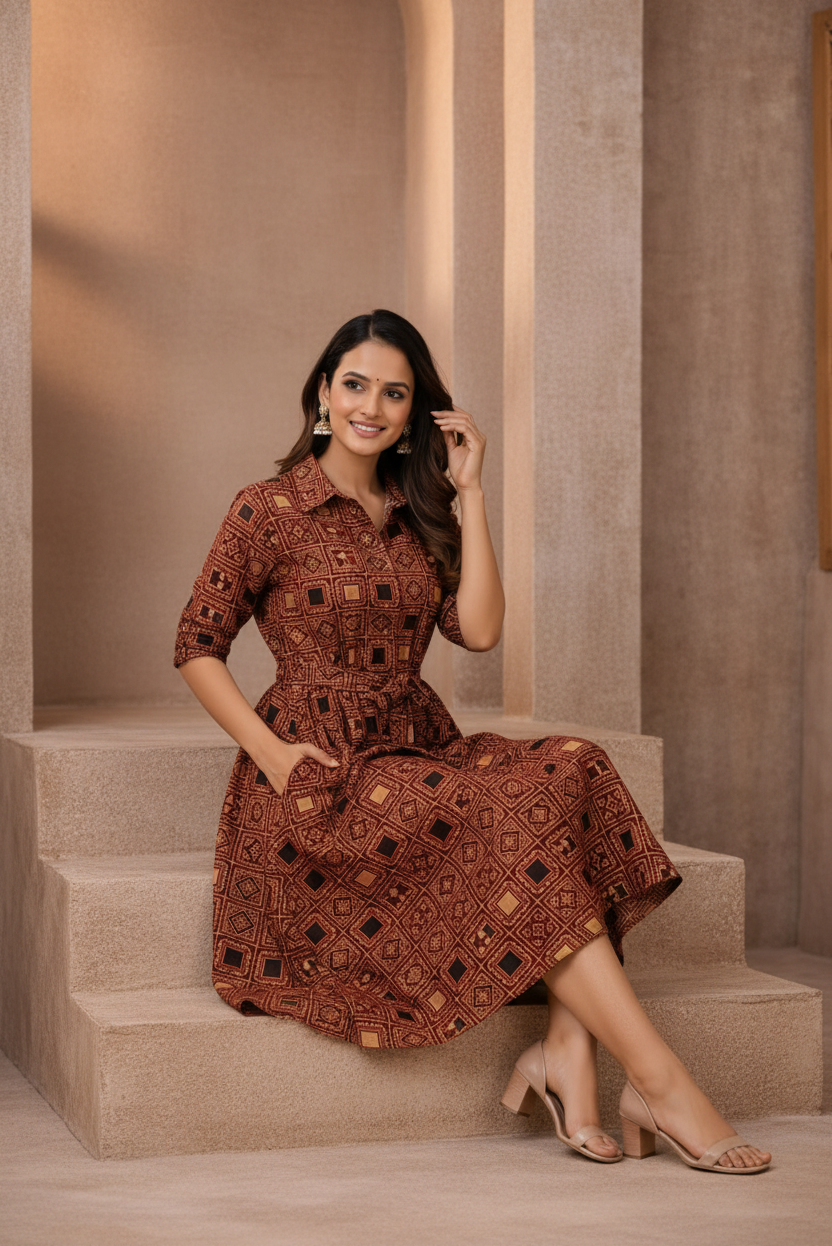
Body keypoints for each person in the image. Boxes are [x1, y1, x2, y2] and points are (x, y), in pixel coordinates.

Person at [175, 309, 771, 1173]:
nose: (370, 406)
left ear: (416, 412)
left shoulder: (418, 511)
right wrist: (271, 755)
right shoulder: (266, 510)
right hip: (318, 774)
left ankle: (566, 1053)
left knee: (573, 767)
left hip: (418, 742)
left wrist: (472, 493)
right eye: (354, 385)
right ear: (321, 394)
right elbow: (196, 642)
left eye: (394, 392)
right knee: (501, 819)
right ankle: (661, 1080)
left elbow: (480, 631)